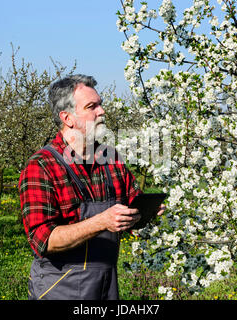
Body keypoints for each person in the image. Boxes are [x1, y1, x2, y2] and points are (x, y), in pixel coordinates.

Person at [18, 74, 165, 300]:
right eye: (91, 107)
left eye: (100, 104)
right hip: (58, 289)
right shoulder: (42, 166)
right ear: (67, 118)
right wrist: (101, 221)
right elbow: (43, 240)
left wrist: (144, 213)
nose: (102, 112)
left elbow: (131, 209)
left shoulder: (112, 160)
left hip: (106, 287)